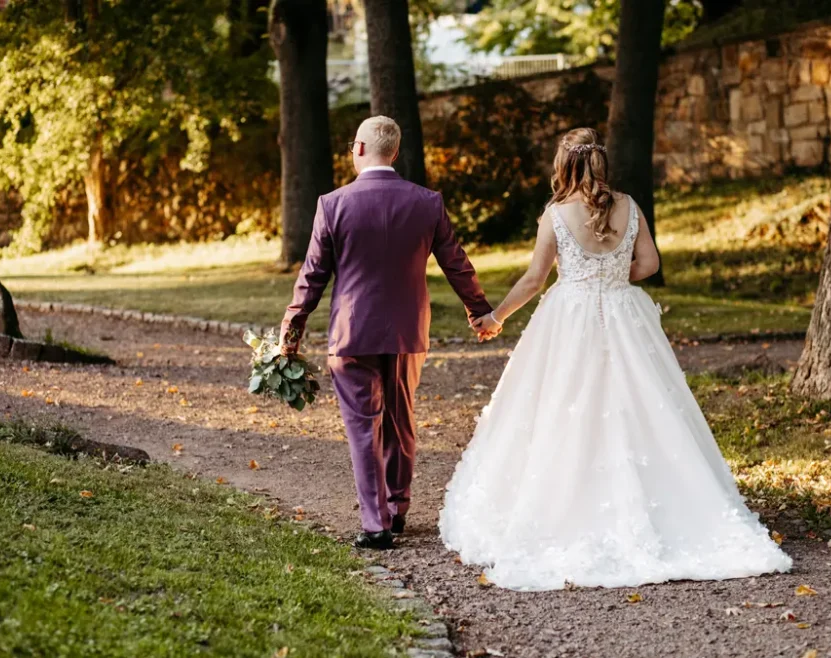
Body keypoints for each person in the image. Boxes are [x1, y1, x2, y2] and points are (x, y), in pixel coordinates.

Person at [439, 127, 793, 591]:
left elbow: (533, 280)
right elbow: (649, 265)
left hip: (571, 320)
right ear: (601, 163)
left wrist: (494, 316)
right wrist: (611, 273)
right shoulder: (629, 207)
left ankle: (566, 508)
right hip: (625, 315)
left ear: (563, 166)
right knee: (644, 406)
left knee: (564, 410)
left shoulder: (556, 214)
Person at [280, 116, 498, 550]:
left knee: (364, 427)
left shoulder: (333, 204)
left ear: (358, 149)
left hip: (351, 332)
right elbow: (457, 262)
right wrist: (480, 311)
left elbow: (312, 276)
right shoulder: (427, 202)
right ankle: (398, 508)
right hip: (406, 331)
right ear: (395, 153)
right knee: (401, 419)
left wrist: (291, 330)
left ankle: (375, 523)